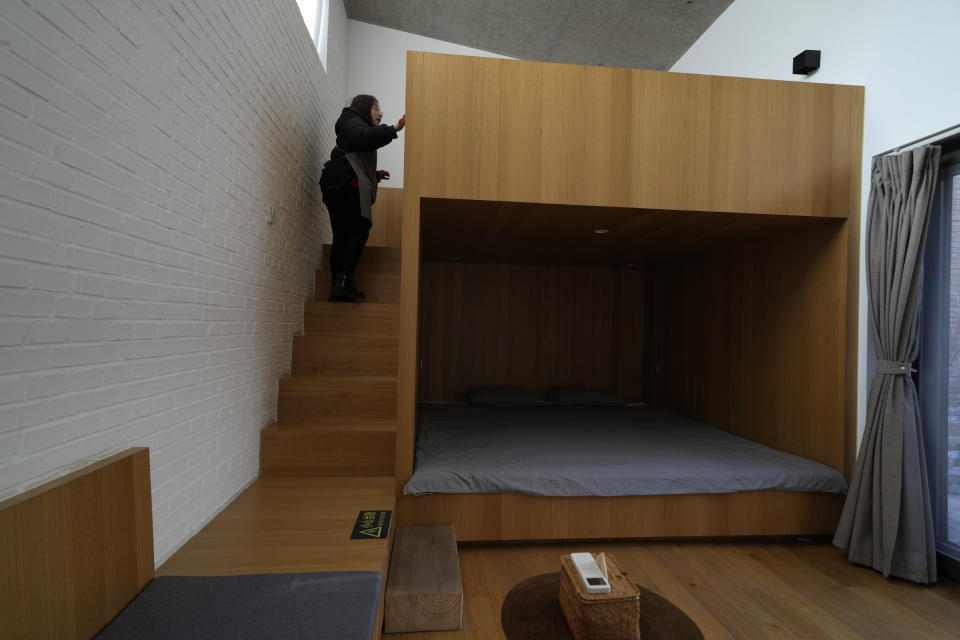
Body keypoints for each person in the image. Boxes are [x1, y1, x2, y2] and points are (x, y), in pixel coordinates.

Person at [319, 95, 405, 302]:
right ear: (364, 108)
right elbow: (364, 137)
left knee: (343, 236)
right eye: (376, 108)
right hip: (345, 184)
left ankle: (341, 285)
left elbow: (356, 151)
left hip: (340, 183)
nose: (380, 113)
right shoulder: (351, 121)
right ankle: (342, 283)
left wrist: (374, 176)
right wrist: (393, 128)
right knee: (358, 230)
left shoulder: (350, 124)